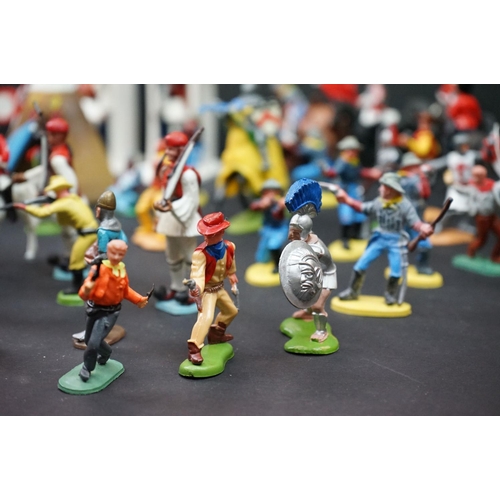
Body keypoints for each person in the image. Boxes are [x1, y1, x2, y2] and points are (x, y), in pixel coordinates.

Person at [334, 172, 434, 305]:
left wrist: (423, 227)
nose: (379, 189)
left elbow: (414, 222)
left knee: (396, 271)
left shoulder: (405, 205)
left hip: (396, 241)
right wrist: (347, 200)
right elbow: (363, 208)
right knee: (360, 265)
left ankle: (390, 295)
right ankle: (353, 291)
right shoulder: (379, 202)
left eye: (382, 186)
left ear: (390, 189)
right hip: (379, 238)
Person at [14, 175, 98, 296]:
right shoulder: (74, 198)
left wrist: (25, 207)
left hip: (87, 233)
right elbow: (64, 220)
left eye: (55, 191)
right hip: (91, 231)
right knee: (84, 258)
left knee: (75, 260)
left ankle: (77, 288)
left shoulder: (62, 203)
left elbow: (42, 213)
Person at [78, 240, 149, 382]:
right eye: (113, 253)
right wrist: (86, 289)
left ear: (125, 254)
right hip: (94, 308)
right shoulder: (99, 268)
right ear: (108, 252)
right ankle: (106, 352)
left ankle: (87, 367)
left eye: (120, 254)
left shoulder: (121, 270)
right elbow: (84, 291)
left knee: (93, 343)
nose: (116, 257)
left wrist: (138, 299)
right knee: (88, 339)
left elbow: (125, 290)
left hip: (110, 312)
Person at [153, 131, 202, 305]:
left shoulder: (188, 174)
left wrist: (172, 207)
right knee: (172, 255)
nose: (168, 152)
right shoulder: (167, 170)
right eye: (168, 148)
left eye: (172, 149)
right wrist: (160, 213)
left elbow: (192, 199)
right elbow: (165, 193)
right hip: (169, 216)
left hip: (183, 217)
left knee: (190, 257)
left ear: (182, 150)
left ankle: (194, 291)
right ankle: (177, 287)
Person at [185, 212, 238, 365]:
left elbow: (230, 262)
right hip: (207, 291)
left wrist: (231, 274)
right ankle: (194, 349)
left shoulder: (229, 246)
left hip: (220, 288)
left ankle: (216, 335)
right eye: (205, 234)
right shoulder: (200, 254)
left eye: (211, 234)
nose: (207, 237)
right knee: (206, 318)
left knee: (231, 311)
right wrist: (197, 288)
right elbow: (197, 274)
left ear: (221, 232)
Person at [397, 152, 434, 274]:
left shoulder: (417, 178)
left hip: (417, 216)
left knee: (422, 243)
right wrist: (422, 176)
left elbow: (426, 193)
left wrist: (425, 177)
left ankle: (421, 266)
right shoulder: (403, 179)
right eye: (413, 166)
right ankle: (398, 266)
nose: (416, 168)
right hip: (405, 216)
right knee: (402, 243)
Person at [455, 165, 500, 263]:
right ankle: (471, 252)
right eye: (475, 175)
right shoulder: (472, 187)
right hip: (482, 218)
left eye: (479, 175)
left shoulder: (491, 185)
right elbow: (461, 189)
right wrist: (453, 183)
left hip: (493, 216)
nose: (476, 178)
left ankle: (495, 256)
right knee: (482, 239)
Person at [249, 179, 288, 272]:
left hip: (278, 229)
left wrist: (279, 206)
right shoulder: (263, 201)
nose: (270, 194)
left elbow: (277, 216)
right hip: (267, 229)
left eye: (273, 191)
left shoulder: (279, 202)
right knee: (262, 257)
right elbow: (253, 207)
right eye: (267, 191)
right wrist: (261, 204)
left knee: (273, 245)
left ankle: (278, 265)